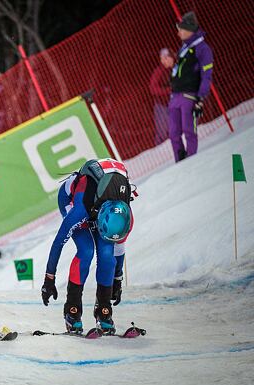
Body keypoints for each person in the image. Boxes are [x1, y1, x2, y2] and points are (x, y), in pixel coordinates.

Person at [41, 158, 134, 335]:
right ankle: (72, 311)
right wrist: (49, 279)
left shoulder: (125, 220)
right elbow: (58, 242)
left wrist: (117, 280)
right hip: (73, 199)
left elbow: (119, 251)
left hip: (105, 200)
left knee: (107, 255)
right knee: (86, 251)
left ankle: (104, 312)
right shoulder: (80, 209)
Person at [169, 11, 213, 162]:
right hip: (175, 97)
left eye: (181, 29)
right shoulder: (183, 48)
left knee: (189, 131)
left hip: (190, 96)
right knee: (174, 134)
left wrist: (200, 99)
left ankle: (191, 162)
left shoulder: (203, 49)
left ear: (189, 30)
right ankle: (180, 162)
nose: (178, 32)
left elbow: (206, 76)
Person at [149, 48, 174, 145]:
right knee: (162, 133)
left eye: (165, 58)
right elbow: (153, 89)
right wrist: (168, 91)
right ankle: (160, 152)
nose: (163, 61)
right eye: (161, 59)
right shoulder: (159, 71)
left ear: (171, 57)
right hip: (162, 105)